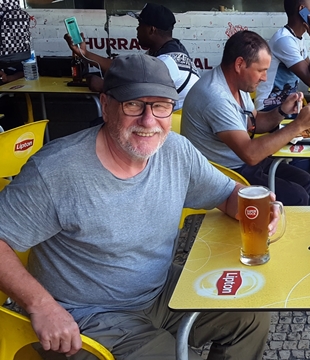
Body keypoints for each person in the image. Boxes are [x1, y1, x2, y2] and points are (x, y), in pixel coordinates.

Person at [0, 53, 271, 360]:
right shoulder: (56, 170)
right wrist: (41, 305)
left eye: (160, 106)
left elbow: (225, 194)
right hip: (90, 318)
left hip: (159, 292)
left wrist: (261, 211)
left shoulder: (175, 151)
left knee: (250, 315)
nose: (148, 120)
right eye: (133, 104)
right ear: (106, 105)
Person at [182, 31, 310, 206]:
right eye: (261, 70)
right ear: (239, 64)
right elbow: (251, 155)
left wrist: (282, 111)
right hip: (223, 174)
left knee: (304, 179)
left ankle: (278, 225)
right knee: (297, 196)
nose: (265, 78)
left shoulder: (236, 84)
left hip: (240, 162)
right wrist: (298, 125)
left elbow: (255, 123)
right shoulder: (215, 97)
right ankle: (273, 230)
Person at [64, 2, 199, 110]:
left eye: (140, 25)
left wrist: (103, 85)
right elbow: (124, 68)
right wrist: (83, 54)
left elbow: (136, 94)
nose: (137, 29)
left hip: (174, 126)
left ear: (152, 30)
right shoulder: (168, 51)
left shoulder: (166, 63)